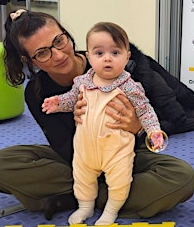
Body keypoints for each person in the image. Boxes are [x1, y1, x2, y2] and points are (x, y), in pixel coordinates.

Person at [0, 9, 194, 222]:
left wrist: (137, 126)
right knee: (0, 164)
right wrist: (75, 115)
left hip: (125, 153)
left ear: (66, 34)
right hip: (80, 158)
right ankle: (104, 195)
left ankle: (82, 197)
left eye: (59, 41)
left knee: (181, 177)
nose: (58, 55)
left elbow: (152, 116)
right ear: (28, 60)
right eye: (42, 53)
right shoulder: (36, 92)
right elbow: (64, 150)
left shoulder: (111, 63)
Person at [41, 22, 165, 225]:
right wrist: (57, 103)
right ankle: (85, 207)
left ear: (127, 56)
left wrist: (153, 131)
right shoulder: (82, 82)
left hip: (116, 149)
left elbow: (145, 110)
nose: (107, 58)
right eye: (99, 53)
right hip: (85, 148)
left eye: (115, 53)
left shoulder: (130, 87)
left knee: (120, 181)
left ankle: (111, 210)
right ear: (89, 56)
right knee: (82, 177)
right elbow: (71, 100)